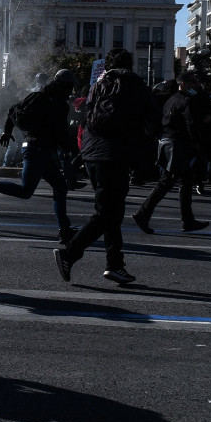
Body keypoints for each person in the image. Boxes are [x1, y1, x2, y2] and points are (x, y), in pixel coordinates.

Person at [53, 49, 159, 283]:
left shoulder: (98, 85)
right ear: (130, 64)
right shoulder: (133, 83)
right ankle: (70, 253)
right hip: (115, 154)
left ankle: (114, 264)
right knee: (107, 212)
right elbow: (153, 118)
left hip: (92, 153)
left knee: (113, 211)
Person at [0, 69, 76, 242]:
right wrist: (68, 150)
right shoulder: (59, 103)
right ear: (67, 86)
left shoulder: (38, 95)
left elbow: (13, 110)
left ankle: (64, 229)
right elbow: (61, 130)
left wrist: (8, 131)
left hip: (37, 148)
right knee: (25, 191)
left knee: (60, 187)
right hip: (38, 150)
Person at [132, 71, 210, 234]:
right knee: (168, 181)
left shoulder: (172, 99)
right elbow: (191, 124)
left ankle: (186, 220)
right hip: (177, 144)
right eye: (193, 82)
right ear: (184, 84)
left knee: (182, 180)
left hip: (168, 142)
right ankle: (143, 213)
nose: (196, 85)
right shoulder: (186, 100)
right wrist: (196, 142)